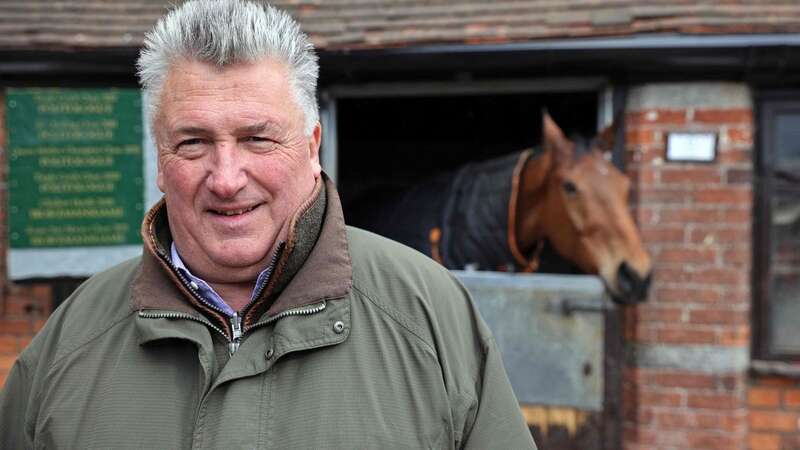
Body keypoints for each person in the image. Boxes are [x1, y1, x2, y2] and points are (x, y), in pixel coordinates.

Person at [0, 1, 536, 448]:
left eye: (258, 138)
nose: (227, 178)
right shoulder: (70, 345)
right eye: (194, 143)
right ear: (161, 162)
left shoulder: (429, 319)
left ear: (312, 148)